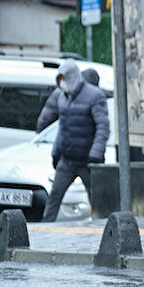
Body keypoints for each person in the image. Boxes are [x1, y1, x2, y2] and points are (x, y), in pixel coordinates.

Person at [39, 60, 109, 222]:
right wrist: (56, 153)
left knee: (98, 201)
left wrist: (95, 154)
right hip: (67, 159)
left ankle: (105, 229)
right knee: (54, 197)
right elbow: (62, 129)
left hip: (88, 162)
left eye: (64, 78)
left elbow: (102, 127)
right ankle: (43, 229)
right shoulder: (61, 96)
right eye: (60, 79)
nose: (62, 83)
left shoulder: (94, 95)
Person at [37, 68, 102, 170]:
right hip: (69, 150)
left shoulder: (62, 92)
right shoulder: (65, 95)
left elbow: (46, 120)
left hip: (67, 150)